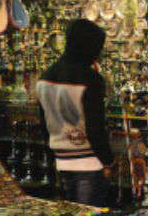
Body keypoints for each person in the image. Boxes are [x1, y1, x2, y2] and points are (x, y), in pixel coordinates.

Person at [36, 18, 113, 206]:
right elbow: (95, 126)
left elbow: (44, 123)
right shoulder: (90, 78)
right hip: (88, 160)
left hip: (61, 159)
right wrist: (107, 161)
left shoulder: (45, 77)